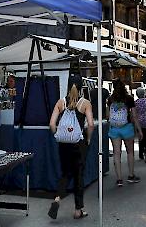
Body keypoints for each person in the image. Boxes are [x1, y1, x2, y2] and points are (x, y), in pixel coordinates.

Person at [48, 75, 94, 220]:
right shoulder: (85, 103)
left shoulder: (61, 102)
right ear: (81, 87)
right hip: (78, 143)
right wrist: (88, 138)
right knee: (78, 175)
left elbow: (51, 124)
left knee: (65, 173)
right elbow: (91, 124)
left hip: (63, 144)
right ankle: (78, 210)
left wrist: (58, 135)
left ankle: (57, 199)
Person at [107, 79, 142, 186]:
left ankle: (119, 179)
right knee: (130, 152)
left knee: (117, 154)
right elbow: (135, 116)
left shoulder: (110, 99)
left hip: (114, 129)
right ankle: (131, 175)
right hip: (127, 128)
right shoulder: (129, 99)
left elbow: (107, 116)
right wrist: (139, 130)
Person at [134, 87, 146, 163]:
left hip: (139, 123)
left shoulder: (135, 102)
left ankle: (141, 154)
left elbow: (134, 113)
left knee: (141, 138)